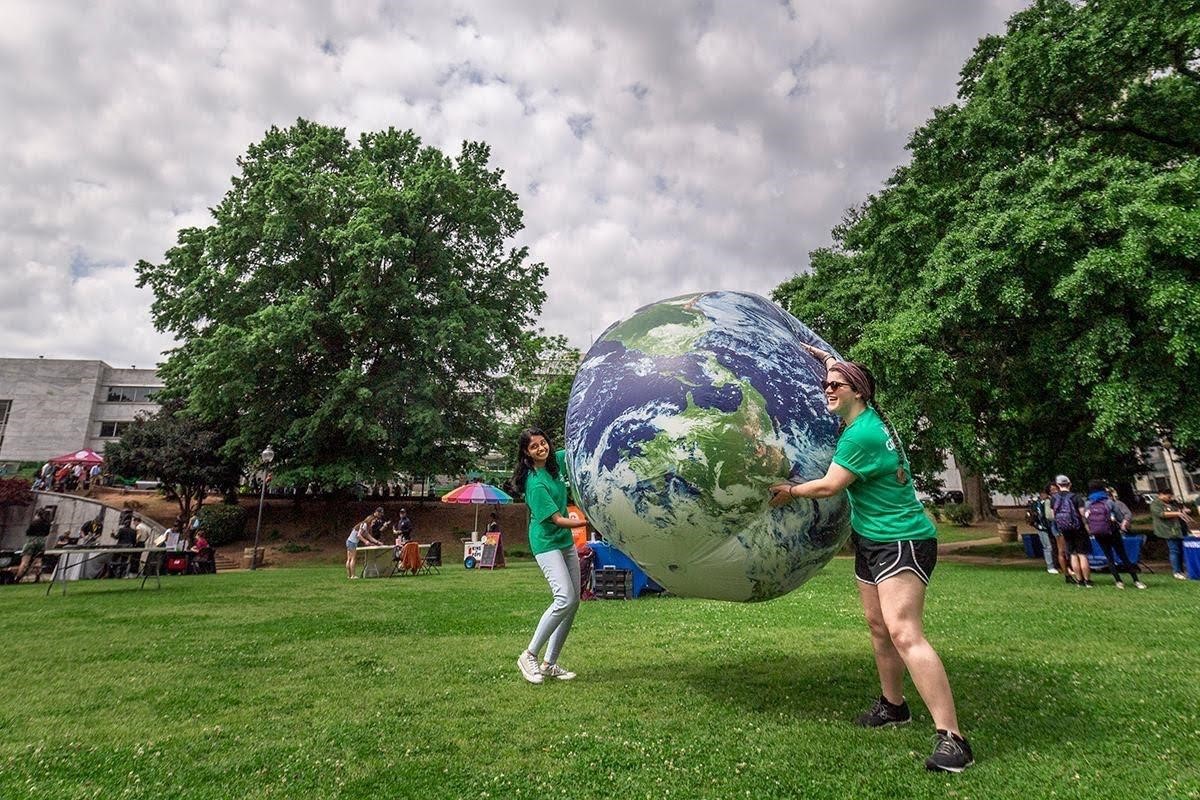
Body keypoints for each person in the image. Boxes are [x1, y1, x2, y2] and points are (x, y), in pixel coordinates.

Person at [768, 346, 973, 773]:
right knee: (879, 627)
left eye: (834, 386)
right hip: (873, 539)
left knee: (904, 633)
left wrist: (787, 491)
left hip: (902, 540)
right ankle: (893, 706)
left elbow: (829, 487)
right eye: (826, 384)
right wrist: (826, 358)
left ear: (857, 392)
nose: (827, 390)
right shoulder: (868, 418)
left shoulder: (861, 435)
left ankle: (953, 739)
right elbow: (840, 376)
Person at [512, 428, 588, 686]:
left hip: (563, 542)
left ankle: (549, 663)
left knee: (573, 602)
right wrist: (586, 522)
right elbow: (556, 519)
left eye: (543, 443)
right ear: (526, 452)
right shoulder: (535, 482)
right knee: (564, 597)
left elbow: (578, 448)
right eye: (534, 447)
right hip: (546, 542)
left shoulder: (555, 463)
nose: (541, 448)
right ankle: (529, 654)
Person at [1083, 480, 1144, 589]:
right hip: (1112, 531)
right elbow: (1120, 517)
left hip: (1098, 533)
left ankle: (1118, 581)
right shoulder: (1109, 502)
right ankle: (1136, 580)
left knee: (1109, 557)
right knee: (1123, 555)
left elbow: (1086, 519)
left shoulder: (1088, 503)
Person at [1050, 476, 1092, 588]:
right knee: (1082, 554)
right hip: (1078, 528)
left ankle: (1078, 580)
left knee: (1072, 554)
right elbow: (1082, 514)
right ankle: (1087, 580)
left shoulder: (1054, 499)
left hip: (1064, 528)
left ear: (1058, 485)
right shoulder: (1076, 497)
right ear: (1070, 484)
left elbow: (1053, 515)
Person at [1149, 490, 1189, 580]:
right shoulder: (1155, 504)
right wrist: (1178, 513)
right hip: (1168, 530)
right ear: (1161, 494)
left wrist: (1182, 511)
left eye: (1170, 497)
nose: (1169, 498)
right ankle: (1176, 571)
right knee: (1174, 550)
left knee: (1181, 550)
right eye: (1168, 496)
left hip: (1178, 529)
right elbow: (1161, 514)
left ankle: (1182, 570)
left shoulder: (1171, 503)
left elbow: (1178, 510)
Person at [14, 509, 52, 582]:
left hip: (32, 541)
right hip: (41, 542)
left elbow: (28, 532)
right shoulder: (47, 524)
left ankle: (18, 577)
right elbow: (47, 533)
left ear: (37, 514)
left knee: (25, 561)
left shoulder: (34, 522)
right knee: (38, 560)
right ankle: (37, 577)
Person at [345, 510, 384, 579]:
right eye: (373, 522)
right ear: (370, 520)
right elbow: (359, 535)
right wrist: (365, 541)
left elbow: (369, 537)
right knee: (353, 559)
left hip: (349, 541)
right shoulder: (364, 524)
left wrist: (378, 542)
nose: (374, 523)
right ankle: (353, 575)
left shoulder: (364, 526)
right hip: (352, 542)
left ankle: (349, 575)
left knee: (349, 559)